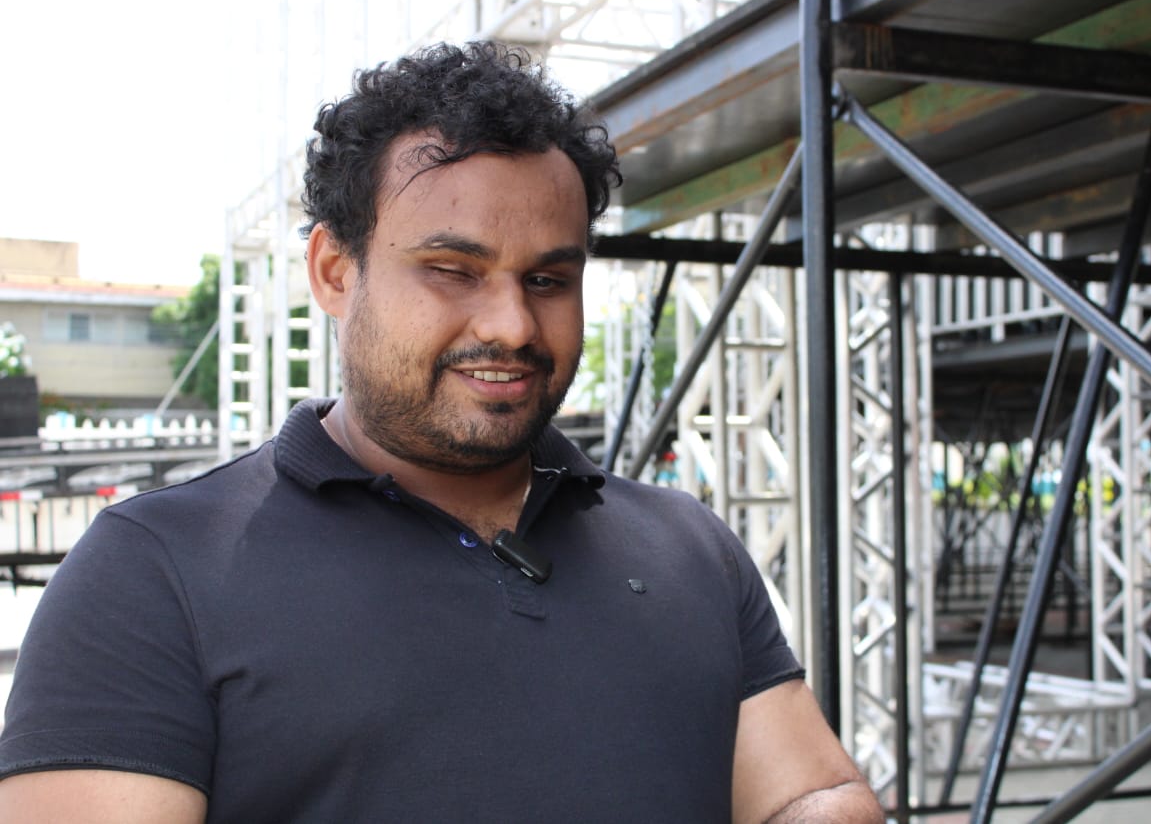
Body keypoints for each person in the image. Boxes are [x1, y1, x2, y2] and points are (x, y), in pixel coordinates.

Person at [0, 42, 883, 823]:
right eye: (453, 269)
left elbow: (804, 791)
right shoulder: (154, 571)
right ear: (334, 269)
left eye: (548, 280)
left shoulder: (688, 544)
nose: (511, 324)